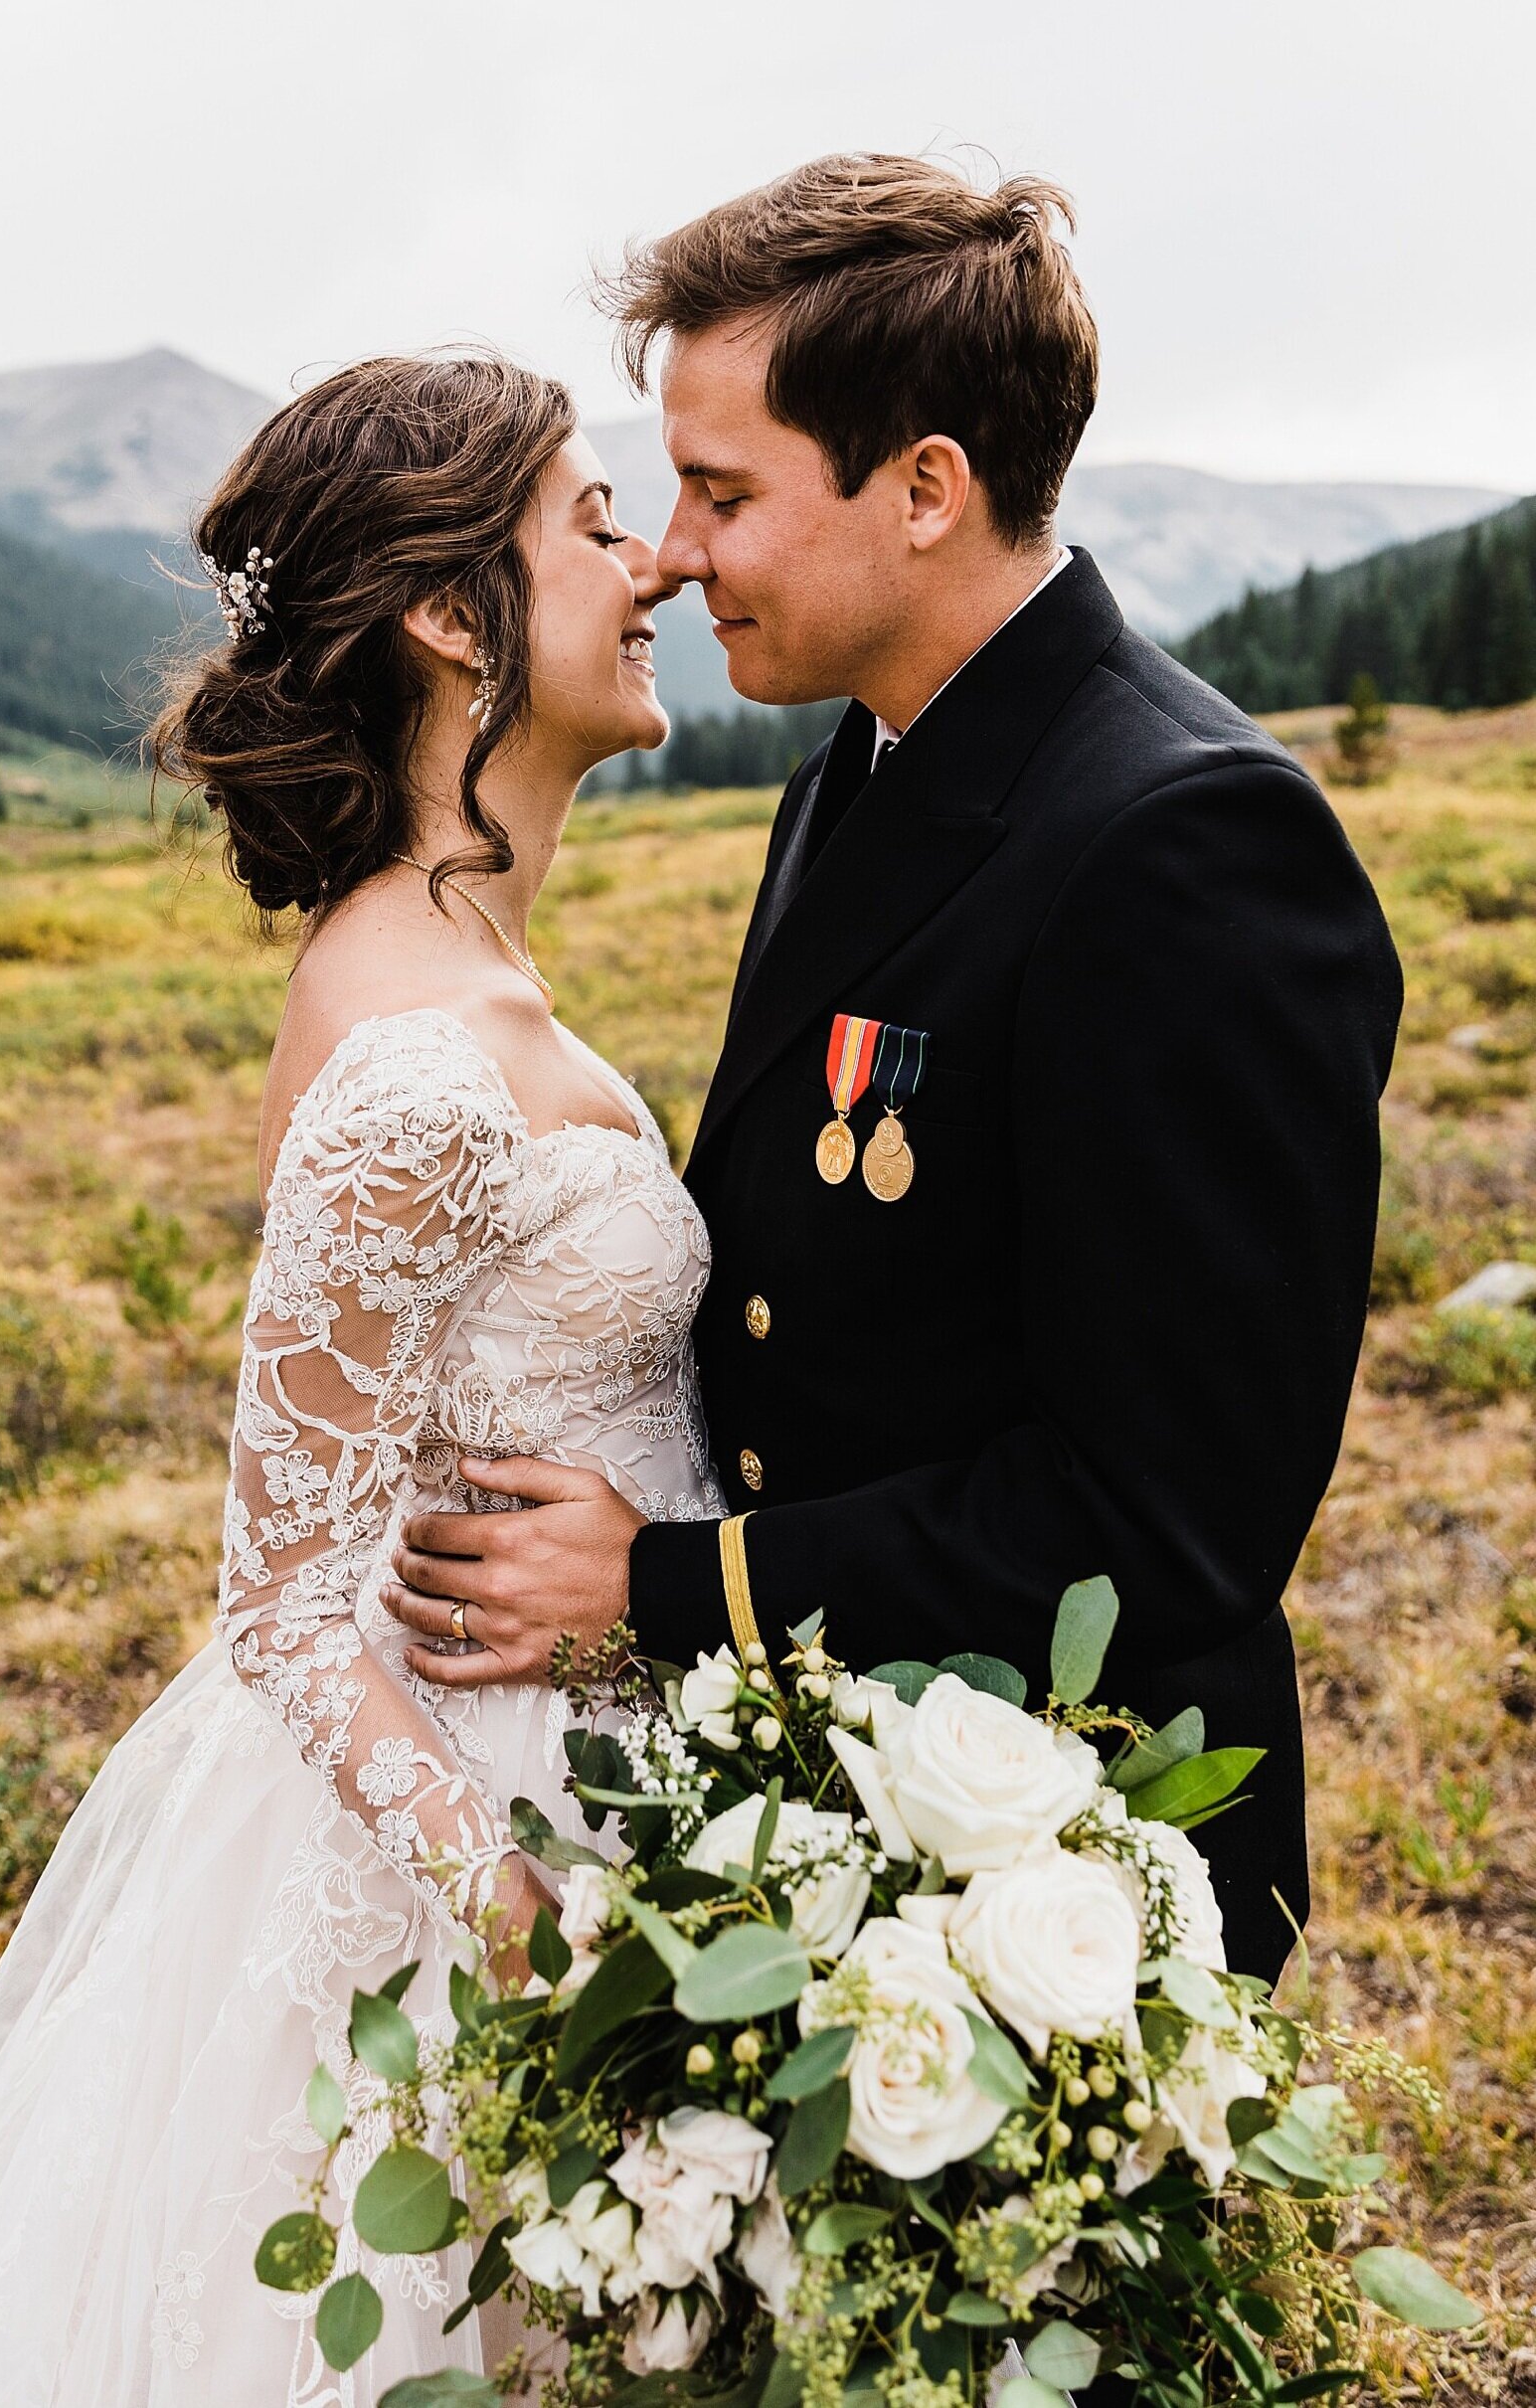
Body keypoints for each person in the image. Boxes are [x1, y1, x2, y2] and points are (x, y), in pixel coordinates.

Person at [381, 155, 1405, 1990]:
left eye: (723, 490)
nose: (675, 553)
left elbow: (1171, 1520)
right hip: (829, 1838)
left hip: (1065, 1897)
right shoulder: (847, 780)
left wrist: (673, 1590)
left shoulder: (1189, 844)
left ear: (927, 485)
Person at [0, 350, 715, 2404]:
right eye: (594, 521)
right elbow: (277, 1600)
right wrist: (534, 1922)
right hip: (469, 1849)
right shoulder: (415, 1056)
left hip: (591, 1751)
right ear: (457, 617)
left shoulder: (480, 972)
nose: (653, 568)